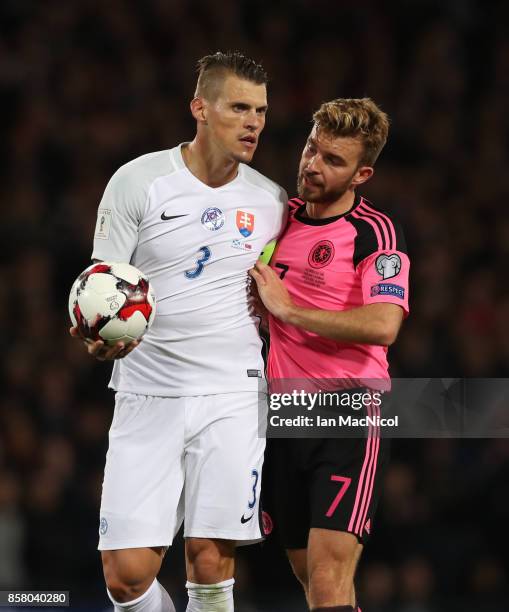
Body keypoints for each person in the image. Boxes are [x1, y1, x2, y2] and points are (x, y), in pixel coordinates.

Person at [70, 51, 287, 612]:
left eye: (261, 110)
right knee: (125, 577)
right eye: (239, 107)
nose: (254, 122)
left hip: (233, 393)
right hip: (147, 392)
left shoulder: (272, 203)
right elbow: (102, 285)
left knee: (210, 563)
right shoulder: (139, 181)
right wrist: (98, 338)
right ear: (200, 108)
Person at [250, 98, 410, 612]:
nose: (313, 166)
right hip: (281, 416)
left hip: (348, 413)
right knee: (305, 571)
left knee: (326, 577)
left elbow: (384, 325)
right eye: (311, 149)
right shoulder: (278, 218)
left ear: (363, 173)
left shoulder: (375, 233)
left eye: (333, 161)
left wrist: (290, 310)